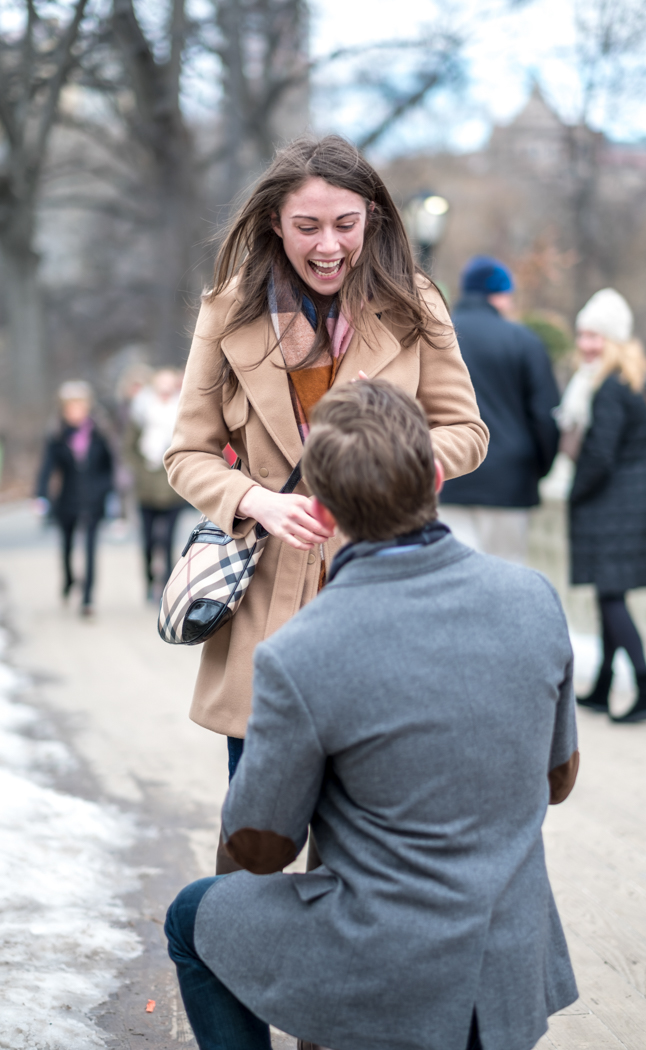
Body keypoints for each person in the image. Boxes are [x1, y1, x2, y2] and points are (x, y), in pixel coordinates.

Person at [165, 379, 579, 1050]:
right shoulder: (533, 598)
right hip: (507, 970)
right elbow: (558, 779)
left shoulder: (300, 655)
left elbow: (262, 847)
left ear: (321, 514)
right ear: (436, 476)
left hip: (387, 972)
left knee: (191, 918)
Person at [164, 135, 489, 872]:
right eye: (308, 225)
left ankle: (349, 985)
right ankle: (241, 977)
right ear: (275, 221)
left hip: (381, 596)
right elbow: (185, 453)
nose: (329, 244)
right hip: (266, 617)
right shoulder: (228, 309)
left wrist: (388, 467)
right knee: (255, 844)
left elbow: (466, 431)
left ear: (371, 216)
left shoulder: (416, 302)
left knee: (361, 854)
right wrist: (255, 502)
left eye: (345, 223)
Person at [561, 288, 646, 723]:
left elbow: (600, 455)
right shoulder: (632, 380)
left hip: (613, 507)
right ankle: (604, 685)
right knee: (610, 595)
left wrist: (574, 491)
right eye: (582, 335)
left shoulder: (610, 387)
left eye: (595, 336)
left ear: (615, 339)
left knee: (612, 601)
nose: (586, 344)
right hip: (630, 505)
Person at [440, 254, 560, 563]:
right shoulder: (524, 341)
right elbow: (545, 416)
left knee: (456, 578)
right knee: (506, 578)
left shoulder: (437, 337)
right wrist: (538, 469)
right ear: (500, 294)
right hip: (510, 482)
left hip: (449, 474)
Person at [35, 381, 113, 617]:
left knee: (90, 549)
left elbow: (109, 467)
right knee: (67, 547)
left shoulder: (100, 433)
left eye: (80, 406)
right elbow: (47, 468)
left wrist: (106, 491)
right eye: (71, 407)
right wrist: (40, 495)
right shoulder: (57, 435)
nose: (76, 412)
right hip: (67, 500)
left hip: (93, 500)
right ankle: (69, 580)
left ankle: (88, 598)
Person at [125, 368, 185, 601]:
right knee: (148, 540)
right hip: (146, 488)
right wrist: (139, 471)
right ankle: (150, 581)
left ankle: (168, 584)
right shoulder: (140, 412)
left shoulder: (182, 411)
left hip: (173, 488)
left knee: (169, 540)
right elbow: (127, 447)